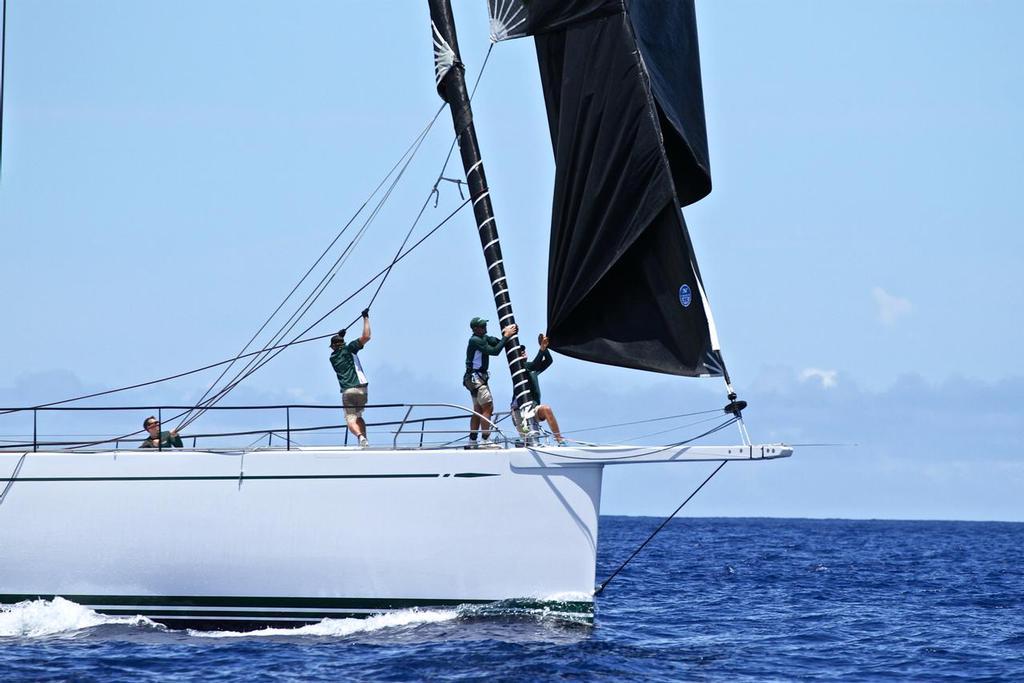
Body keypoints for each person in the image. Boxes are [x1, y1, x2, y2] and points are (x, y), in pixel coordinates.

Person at [464, 316, 517, 448]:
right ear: (475, 329)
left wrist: (507, 334)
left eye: (485, 326)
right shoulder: (475, 340)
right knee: (488, 407)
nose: (485, 328)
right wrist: (506, 337)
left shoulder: (483, 338)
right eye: (482, 327)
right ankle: (485, 440)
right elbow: (495, 351)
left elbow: (496, 342)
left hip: (474, 379)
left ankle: (472, 441)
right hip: (477, 379)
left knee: (477, 409)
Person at [330, 308, 372, 447]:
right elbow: (366, 336)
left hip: (348, 392)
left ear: (333, 347)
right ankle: (364, 439)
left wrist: (340, 336)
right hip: (362, 390)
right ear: (343, 343)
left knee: (350, 418)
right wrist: (365, 318)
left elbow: (340, 348)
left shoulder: (333, 358)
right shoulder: (349, 349)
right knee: (359, 416)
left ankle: (360, 437)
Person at [516, 333, 567, 446]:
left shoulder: (531, 370)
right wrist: (542, 348)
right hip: (521, 410)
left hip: (533, 407)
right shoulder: (522, 367)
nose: (523, 351)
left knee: (546, 409)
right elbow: (534, 364)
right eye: (520, 351)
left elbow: (548, 361)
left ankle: (560, 440)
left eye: (524, 350)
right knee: (527, 442)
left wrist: (544, 348)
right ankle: (522, 443)